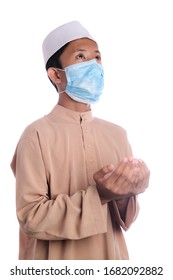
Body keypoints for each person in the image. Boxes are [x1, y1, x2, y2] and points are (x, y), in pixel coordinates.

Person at [11, 21, 150, 260]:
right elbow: (30, 218)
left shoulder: (117, 134)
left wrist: (129, 192)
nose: (93, 65)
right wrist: (102, 195)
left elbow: (125, 221)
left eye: (97, 58)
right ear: (56, 74)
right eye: (80, 57)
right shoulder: (36, 135)